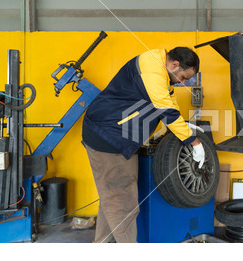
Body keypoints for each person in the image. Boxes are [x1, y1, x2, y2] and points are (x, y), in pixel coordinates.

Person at [82, 47, 204, 243]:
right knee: (123, 205)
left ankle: (102, 245)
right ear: (175, 65)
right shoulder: (153, 72)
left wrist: (182, 125)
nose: (182, 82)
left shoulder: (158, 67)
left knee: (113, 197)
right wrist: (194, 141)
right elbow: (166, 110)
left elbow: (169, 103)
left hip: (111, 134)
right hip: (110, 138)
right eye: (183, 77)